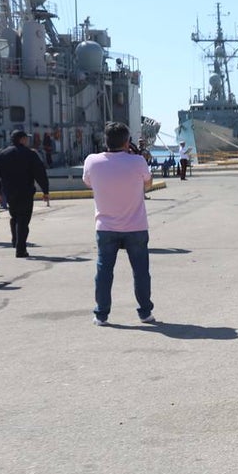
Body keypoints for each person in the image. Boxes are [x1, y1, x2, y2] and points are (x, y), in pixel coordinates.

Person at [82, 122, 155, 326]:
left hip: (105, 226)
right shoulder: (138, 161)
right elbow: (147, 184)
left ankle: (101, 314)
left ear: (105, 141)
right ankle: (145, 313)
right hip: (136, 225)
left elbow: (87, 182)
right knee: (140, 271)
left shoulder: (91, 161)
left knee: (104, 271)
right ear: (127, 142)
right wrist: (131, 156)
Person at [0, 129, 49, 258]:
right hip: (25, 192)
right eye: (26, 138)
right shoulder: (30, 154)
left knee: (14, 217)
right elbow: (40, 173)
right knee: (23, 220)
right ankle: (20, 249)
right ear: (22, 139)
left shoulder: (2, 154)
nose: (27, 141)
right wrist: (45, 191)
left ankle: (15, 241)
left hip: (9, 192)